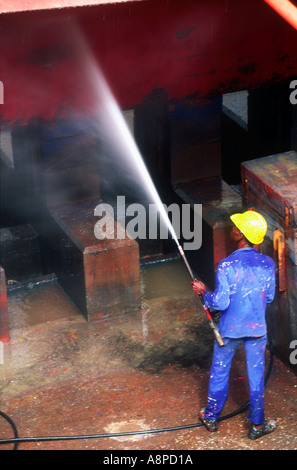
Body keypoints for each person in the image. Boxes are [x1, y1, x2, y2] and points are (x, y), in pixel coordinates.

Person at [192, 210, 277, 440]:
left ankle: (211, 417)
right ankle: (257, 426)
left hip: (229, 330)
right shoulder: (267, 263)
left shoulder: (227, 265)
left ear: (241, 234)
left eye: (236, 226)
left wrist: (204, 293)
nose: (233, 228)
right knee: (256, 376)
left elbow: (220, 303)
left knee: (220, 370)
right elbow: (268, 297)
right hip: (257, 329)